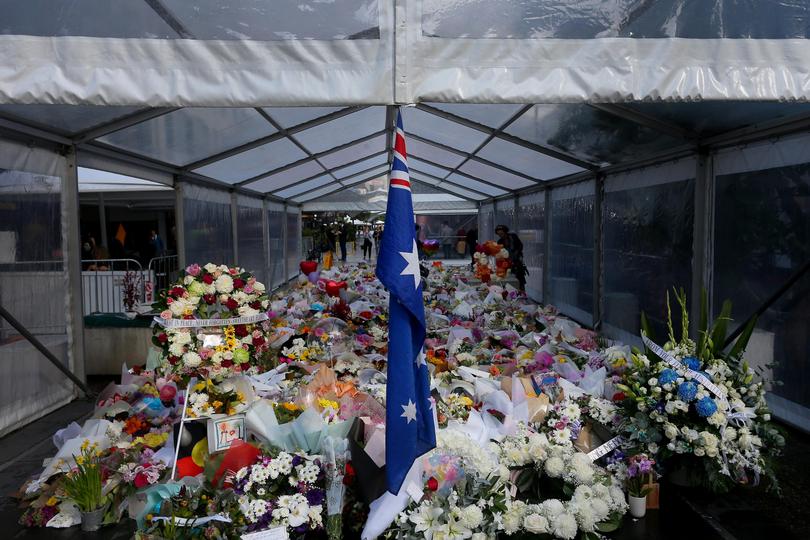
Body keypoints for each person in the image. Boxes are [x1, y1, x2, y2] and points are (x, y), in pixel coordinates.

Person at [495, 224, 527, 291]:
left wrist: (517, 253)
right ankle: (511, 291)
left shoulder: (513, 236)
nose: (500, 235)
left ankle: (522, 291)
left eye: (501, 233)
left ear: (505, 231)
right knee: (509, 277)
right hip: (507, 262)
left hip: (517, 260)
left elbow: (520, 245)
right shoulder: (500, 242)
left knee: (520, 276)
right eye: (499, 234)